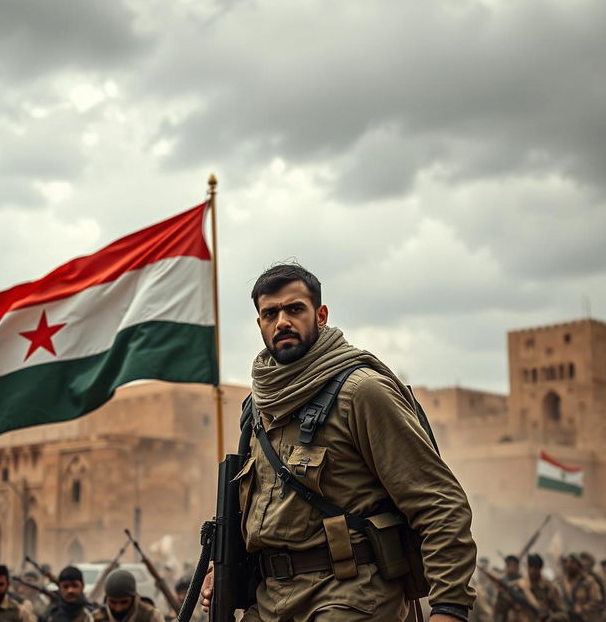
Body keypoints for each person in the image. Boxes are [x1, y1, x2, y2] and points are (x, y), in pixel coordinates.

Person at [201, 263, 477, 621]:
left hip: (351, 597)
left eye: (294, 309)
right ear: (260, 324)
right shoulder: (257, 407)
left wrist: (450, 608)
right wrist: (223, 569)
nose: (282, 321)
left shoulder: (361, 392)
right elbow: (260, 515)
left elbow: (439, 503)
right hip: (271, 602)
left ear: (321, 315)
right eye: (270, 313)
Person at [494, 554, 566, 622]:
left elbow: (562, 614)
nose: (532, 571)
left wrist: (551, 619)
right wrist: (501, 595)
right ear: (527, 567)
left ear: (540, 568)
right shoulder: (516, 586)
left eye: (535, 568)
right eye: (530, 567)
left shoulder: (548, 587)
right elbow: (500, 612)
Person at [92, 571, 163, 622]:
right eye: (113, 602)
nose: (118, 608)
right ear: (106, 598)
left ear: (133, 598)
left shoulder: (150, 615)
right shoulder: (97, 618)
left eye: (124, 602)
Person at [557, 555, 603, 622]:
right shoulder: (561, 583)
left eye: (572, 562)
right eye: (567, 562)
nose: (569, 565)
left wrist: (581, 608)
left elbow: (597, 601)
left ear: (578, 565)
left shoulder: (588, 581)